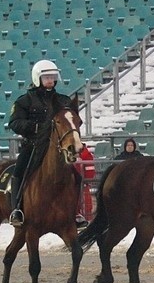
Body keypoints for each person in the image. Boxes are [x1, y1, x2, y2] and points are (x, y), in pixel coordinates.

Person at [7, 59, 79, 227]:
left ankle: (76, 211)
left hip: (57, 148)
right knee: (19, 172)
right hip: (32, 145)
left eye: (53, 77)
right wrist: (35, 127)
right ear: (37, 78)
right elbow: (14, 123)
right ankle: (16, 209)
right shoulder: (24, 101)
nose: (50, 80)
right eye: (46, 77)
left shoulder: (63, 100)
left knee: (77, 176)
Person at [74, 143, 95, 228]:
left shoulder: (87, 155)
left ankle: (87, 220)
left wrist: (86, 181)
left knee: (86, 203)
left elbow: (90, 170)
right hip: (71, 184)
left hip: (83, 183)